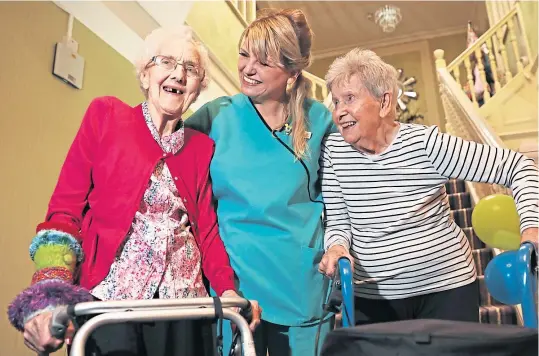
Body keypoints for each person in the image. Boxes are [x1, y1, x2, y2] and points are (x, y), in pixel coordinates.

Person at [8, 26, 261, 356]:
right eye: (166, 61)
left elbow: (208, 233)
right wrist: (48, 293)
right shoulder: (107, 117)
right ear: (145, 73)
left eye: (191, 69)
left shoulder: (201, 149)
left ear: (198, 90)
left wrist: (227, 290)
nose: (179, 74)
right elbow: (64, 212)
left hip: (184, 304)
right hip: (110, 302)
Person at [318, 48, 538, 325]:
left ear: (384, 102)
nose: (339, 112)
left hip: (447, 288)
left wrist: (531, 227)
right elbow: (338, 220)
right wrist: (336, 247)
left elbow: (518, 166)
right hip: (372, 297)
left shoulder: (426, 145)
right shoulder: (334, 152)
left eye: (349, 98)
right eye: (336, 102)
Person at [185, 9, 334, 356]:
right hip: (235, 290)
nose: (247, 68)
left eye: (263, 61)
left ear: (293, 72)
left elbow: (345, 194)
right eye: (243, 54)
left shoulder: (320, 120)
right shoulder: (216, 116)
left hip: (301, 288)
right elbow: (164, 161)